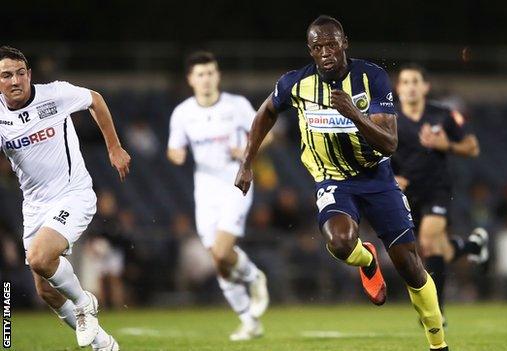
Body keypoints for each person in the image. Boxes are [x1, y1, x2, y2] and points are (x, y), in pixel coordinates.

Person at [235, 16, 449, 351]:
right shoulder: (296, 83)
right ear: (310, 50)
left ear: (344, 43)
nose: (325, 52)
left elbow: (390, 143)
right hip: (332, 179)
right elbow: (265, 113)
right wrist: (248, 162)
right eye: (317, 47)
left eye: (331, 44)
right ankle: (366, 259)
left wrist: (355, 114)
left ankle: (438, 343)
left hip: (376, 178)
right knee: (338, 242)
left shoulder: (372, 77)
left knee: (410, 266)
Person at [0, 46, 130, 350]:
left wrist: (113, 147)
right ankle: (104, 344)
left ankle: (85, 303)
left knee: (40, 257)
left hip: (73, 194)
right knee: (45, 291)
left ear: (29, 75)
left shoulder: (55, 95)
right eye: (7, 75)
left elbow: (94, 100)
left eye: (21, 73)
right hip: (34, 205)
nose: (16, 80)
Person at [167, 51, 269, 341]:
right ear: (191, 79)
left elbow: (268, 134)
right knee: (218, 260)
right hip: (205, 189)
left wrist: (249, 150)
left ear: (218, 76)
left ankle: (253, 276)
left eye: (210, 73)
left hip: (236, 183)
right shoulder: (183, 112)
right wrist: (177, 155)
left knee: (224, 251)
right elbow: (174, 149)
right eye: (200, 74)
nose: (206, 79)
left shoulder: (236, 106)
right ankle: (249, 321)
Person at [392, 64, 489, 318]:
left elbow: (472, 147)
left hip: (437, 189)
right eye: (405, 82)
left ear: (425, 87)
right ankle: (472, 247)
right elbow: (376, 154)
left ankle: (438, 312)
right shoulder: (388, 119)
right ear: (398, 88)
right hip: (405, 193)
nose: (411, 86)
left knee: (427, 242)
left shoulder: (443, 115)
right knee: (438, 249)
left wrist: (447, 145)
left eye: (415, 81)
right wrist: (391, 177)